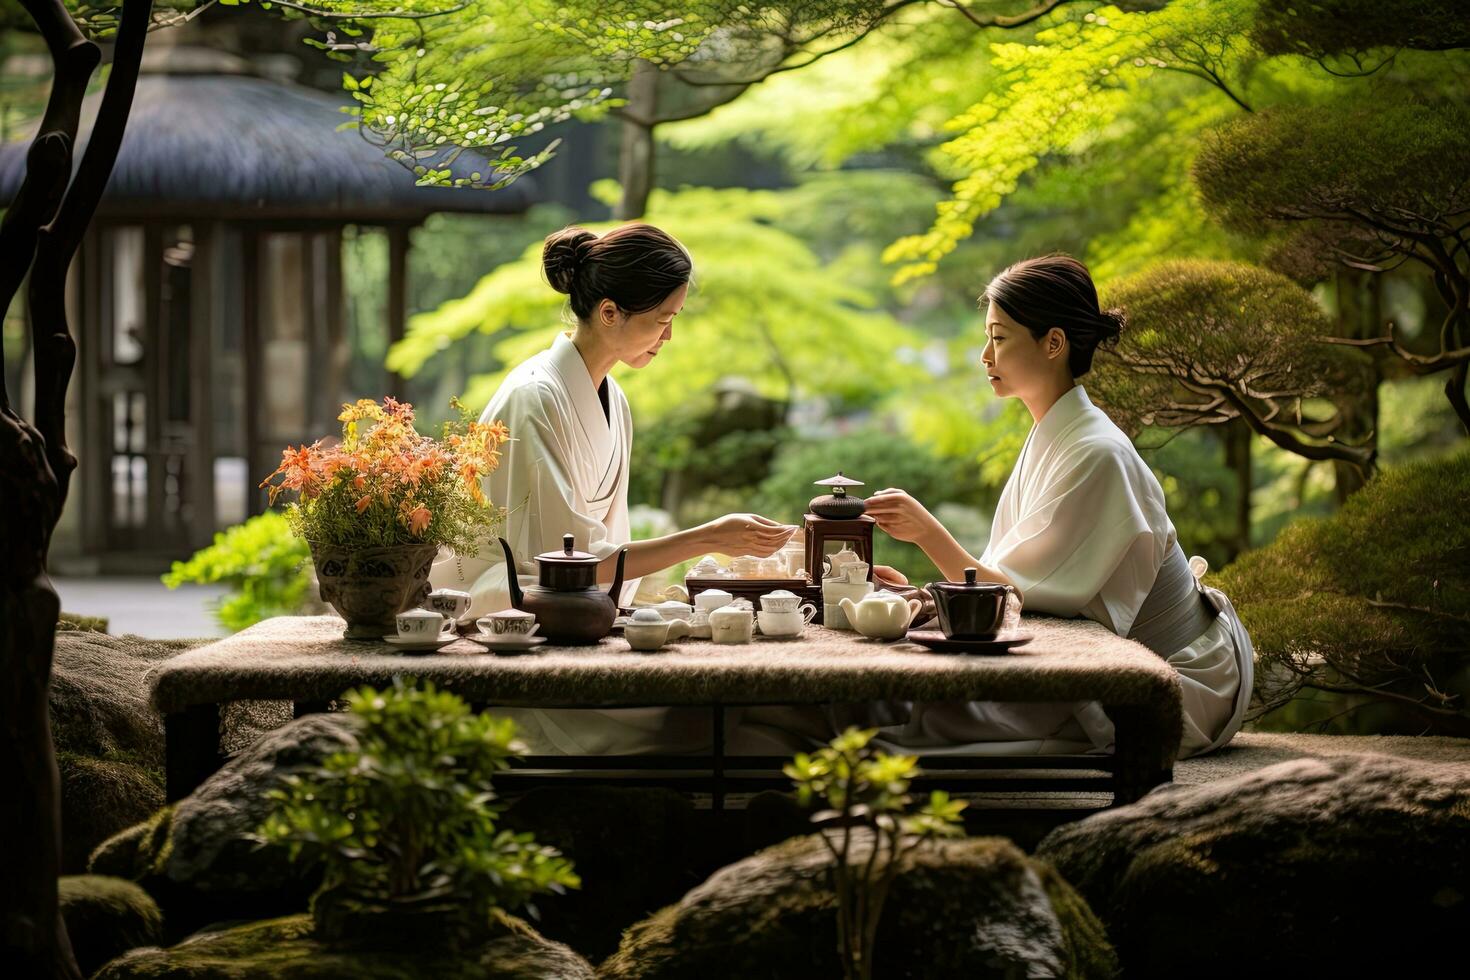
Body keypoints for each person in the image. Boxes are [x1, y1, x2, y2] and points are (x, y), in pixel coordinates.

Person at [862, 254, 1253, 759]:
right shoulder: (1059, 434)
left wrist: (927, 533)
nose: (985, 355)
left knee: (922, 722)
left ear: (1053, 343)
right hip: (1104, 657)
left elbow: (1019, 597)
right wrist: (928, 595)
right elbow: (1014, 582)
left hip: (1165, 682)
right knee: (910, 702)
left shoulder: (1097, 453)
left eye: (1000, 338)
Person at [431, 222, 795, 753]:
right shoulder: (534, 398)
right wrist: (706, 538)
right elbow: (563, 568)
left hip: (576, 612)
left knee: (751, 714)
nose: (668, 335)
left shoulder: (612, 397)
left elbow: (606, 550)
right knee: (702, 715)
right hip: (512, 615)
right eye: (661, 319)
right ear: (608, 312)